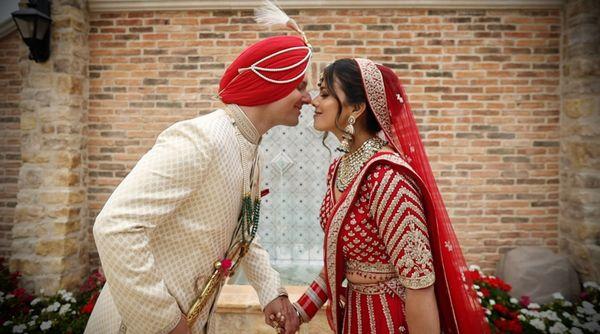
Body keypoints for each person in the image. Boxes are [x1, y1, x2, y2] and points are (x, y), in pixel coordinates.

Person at [84, 35, 310, 334]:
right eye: (300, 87)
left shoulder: (252, 149)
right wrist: (163, 323)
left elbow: (242, 233)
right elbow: (115, 226)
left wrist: (271, 291)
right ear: (271, 85)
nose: (308, 99)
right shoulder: (203, 138)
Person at [292, 58, 489, 333]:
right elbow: (339, 259)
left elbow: (419, 283)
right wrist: (299, 311)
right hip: (356, 317)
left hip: (390, 319)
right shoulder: (340, 167)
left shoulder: (386, 177)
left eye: (325, 94)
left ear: (357, 108)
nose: (314, 102)